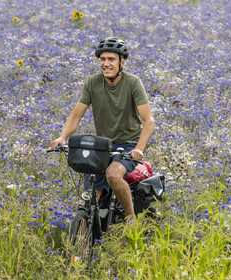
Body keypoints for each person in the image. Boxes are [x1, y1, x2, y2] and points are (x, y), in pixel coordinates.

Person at [50, 37, 155, 221]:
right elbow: (76, 116)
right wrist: (62, 137)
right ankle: (87, 230)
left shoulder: (133, 83)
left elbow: (148, 121)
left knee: (113, 175)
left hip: (128, 146)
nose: (106, 63)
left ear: (122, 62)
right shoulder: (93, 83)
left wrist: (139, 148)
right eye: (103, 59)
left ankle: (131, 220)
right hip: (102, 146)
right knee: (90, 196)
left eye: (111, 59)